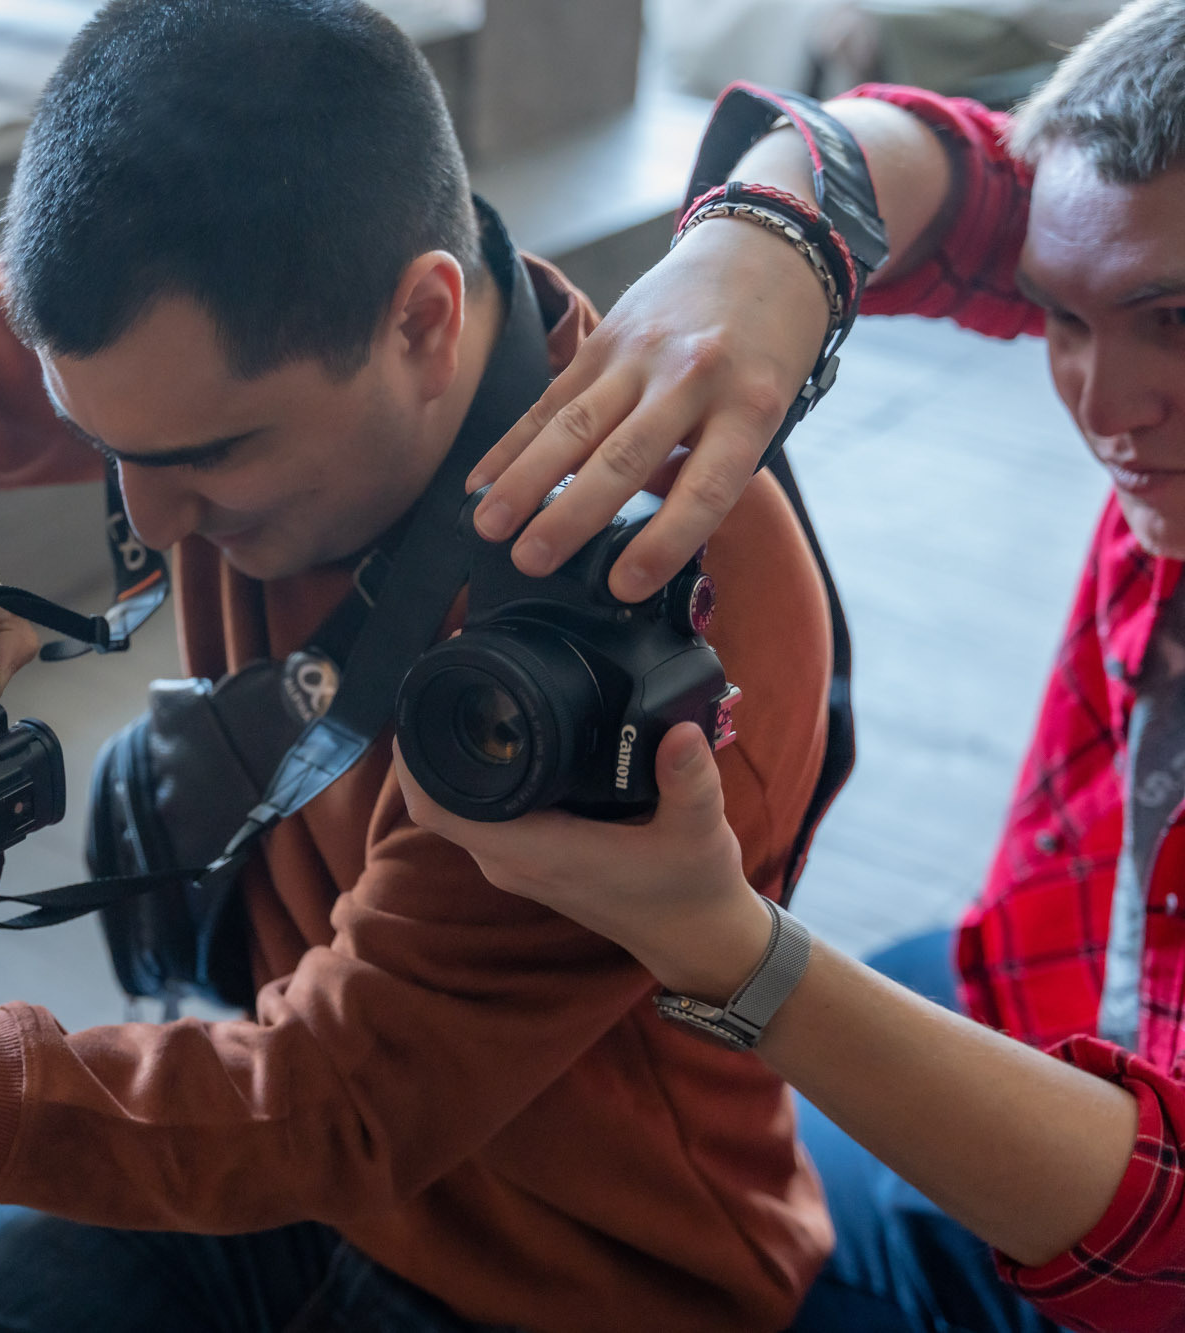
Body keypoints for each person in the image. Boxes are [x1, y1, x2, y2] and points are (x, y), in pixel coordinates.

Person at [0, 2, 843, 1329]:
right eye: (100, 437)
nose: (145, 516)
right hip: (289, 1152)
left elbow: (331, 1104)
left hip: (573, 1275)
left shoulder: (650, 626)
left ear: (423, 322)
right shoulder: (222, 349)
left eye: (208, 461)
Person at [419, 2, 1185, 1330]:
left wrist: (730, 954)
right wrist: (766, 236)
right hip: (1040, 968)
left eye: (1174, 322)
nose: (1105, 407)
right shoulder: (1127, 244)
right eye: (1064, 317)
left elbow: (1166, 1249)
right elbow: (977, 180)